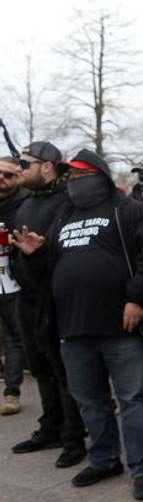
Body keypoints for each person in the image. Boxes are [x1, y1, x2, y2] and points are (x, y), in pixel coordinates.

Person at [13, 149, 143, 500]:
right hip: (72, 328)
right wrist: (35, 254)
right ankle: (103, 459)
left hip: (121, 328)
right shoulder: (63, 216)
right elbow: (45, 274)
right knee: (89, 400)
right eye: (71, 176)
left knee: (132, 399)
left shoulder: (128, 209)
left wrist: (137, 298)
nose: (76, 182)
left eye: (83, 175)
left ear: (99, 175)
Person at [9, 141, 87, 467]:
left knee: (63, 369)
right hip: (25, 298)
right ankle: (51, 426)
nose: (18, 170)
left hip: (56, 299)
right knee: (40, 367)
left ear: (47, 166)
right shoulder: (27, 204)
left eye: (24, 164)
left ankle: (74, 436)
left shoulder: (68, 201)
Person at [0, 157, 29, 415]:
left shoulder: (26, 203)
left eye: (9, 175)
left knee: (15, 336)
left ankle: (12, 391)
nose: (2, 178)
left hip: (16, 279)